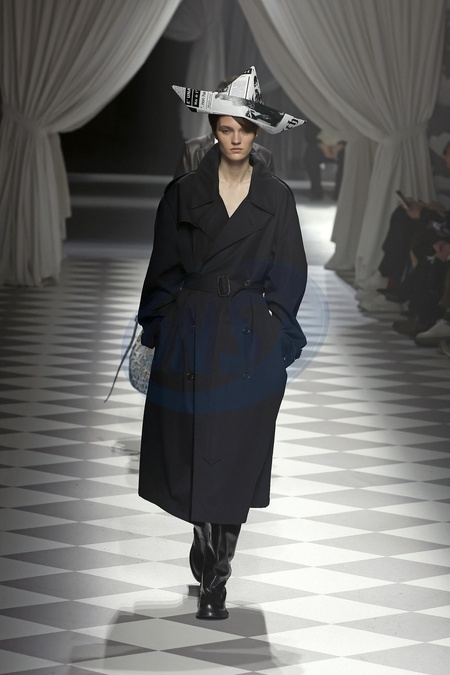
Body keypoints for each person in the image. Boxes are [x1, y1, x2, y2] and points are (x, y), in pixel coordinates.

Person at [137, 68, 307, 621]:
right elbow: (163, 267)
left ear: (258, 133)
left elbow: (291, 271)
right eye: (227, 128)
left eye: (245, 130)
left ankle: (218, 575)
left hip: (248, 339)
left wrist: (278, 336)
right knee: (196, 447)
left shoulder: (277, 198)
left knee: (236, 452)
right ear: (213, 129)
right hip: (191, 332)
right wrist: (161, 329)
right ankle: (206, 543)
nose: (236, 139)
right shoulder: (184, 193)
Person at [174, 76, 275, 177]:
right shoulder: (193, 150)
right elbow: (180, 187)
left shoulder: (264, 157)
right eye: (226, 130)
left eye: (245, 130)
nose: (236, 140)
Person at [303, 121, 345, 200]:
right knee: (310, 156)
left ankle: (340, 193)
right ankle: (316, 191)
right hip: (320, 145)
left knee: (347, 159)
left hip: (342, 146)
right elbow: (309, 134)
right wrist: (324, 148)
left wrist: (339, 147)